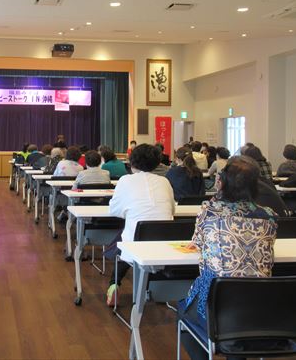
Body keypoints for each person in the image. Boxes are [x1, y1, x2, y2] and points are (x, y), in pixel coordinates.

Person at [178, 156, 278, 360]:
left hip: (216, 303)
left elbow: (198, 241)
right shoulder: (269, 215)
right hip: (261, 304)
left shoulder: (210, 211)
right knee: (237, 324)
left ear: (221, 182)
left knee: (183, 313)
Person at [106, 144, 175, 305]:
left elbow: (114, 210)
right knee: (132, 237)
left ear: (131, 162)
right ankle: (155, 288)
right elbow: (172, 210)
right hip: (166, 242)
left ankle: (114, 284)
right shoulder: (164, 181)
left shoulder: (125, 180)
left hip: (137, 242)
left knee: (124, 241)